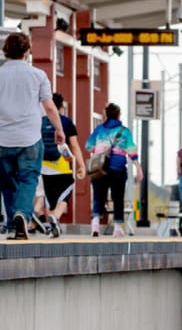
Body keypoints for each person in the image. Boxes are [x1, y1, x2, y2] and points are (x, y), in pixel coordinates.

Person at [0, 32, 64, 241]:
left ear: (5, 51)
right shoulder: (38, 75)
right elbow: (50, 107)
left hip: (3, 138)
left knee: (8, 182)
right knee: (28, 179)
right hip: (30, 138)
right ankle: (22, 216)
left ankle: (12, 224)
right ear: (27, 51)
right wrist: (59, 129)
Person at [85, 103, 143, 237]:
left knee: (99, 196)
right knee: (117, 198)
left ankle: (95, 226)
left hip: (100, 168)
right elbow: (131, 151)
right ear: (118, 115)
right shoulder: (125, 131)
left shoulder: (99, 129)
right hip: (118, 168)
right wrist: (138, 168)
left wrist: (100, 149)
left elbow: (88, 146)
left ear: (106, 114)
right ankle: (117, 228)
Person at [38, 92, 86, 238]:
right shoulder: (66, 122)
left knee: (51, 201)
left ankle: (53, 229)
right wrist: (81, 166)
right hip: (62, 167)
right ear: (61, 106)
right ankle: (56, 217)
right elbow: (74, 145)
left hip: (44, 167)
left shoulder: (40, 122)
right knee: (64, 198)